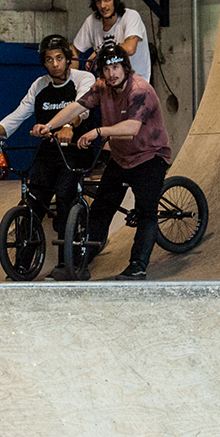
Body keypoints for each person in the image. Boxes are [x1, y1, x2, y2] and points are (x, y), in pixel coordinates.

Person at [33, 40, 172, 281]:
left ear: (125, 67)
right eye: (106, 69)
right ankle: (79, 265)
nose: (111, 74)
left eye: (116, 68)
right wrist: (50, 125)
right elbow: (76, 106)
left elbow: (132, 128)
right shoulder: (102, 87)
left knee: (147, 211)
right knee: (100, 210)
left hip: (150, 156)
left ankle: (138, 265)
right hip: (121, 157)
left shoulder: (140, 90)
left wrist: (99, 132)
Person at [0, 33, 95, 245]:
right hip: (48, 153)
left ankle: (68, 261)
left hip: (75, 152)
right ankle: (22, 264)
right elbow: (19, 113)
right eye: (49, 60)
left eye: (59, 58)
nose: (55, 64)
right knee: (33, 203)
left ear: (68, 58)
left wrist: (68, 126)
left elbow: (82, 108)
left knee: (64, 198)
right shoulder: (40, 85)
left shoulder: (83, 78)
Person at [73, 0, 152, 83]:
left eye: (107, 0)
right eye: (98, 1)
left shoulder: (130, 16)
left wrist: (99, 53)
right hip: (108, 86)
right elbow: (74, 49)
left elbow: (130, 48)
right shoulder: (92, 21)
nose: (102, 6)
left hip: (134, 84)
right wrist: (72, 79)